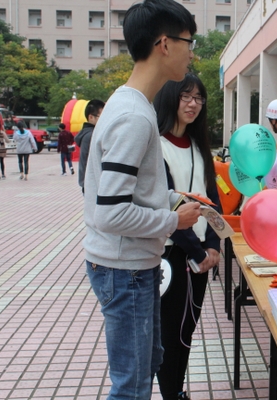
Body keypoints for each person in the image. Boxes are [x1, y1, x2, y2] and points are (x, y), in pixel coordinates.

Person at [82, 1, 201, 399]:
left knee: (145, 368)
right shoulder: (133, 116)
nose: (191, 53)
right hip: (125, 268)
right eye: (189, 43)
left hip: (131, 265)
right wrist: (174, 220)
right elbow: (112, 213)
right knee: (132, 386)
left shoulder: (131, 104)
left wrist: (175, 198)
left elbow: (129, 192)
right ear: (164, 44)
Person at [154, 75, 221, 400]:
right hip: (171, 254)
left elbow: (213, 201)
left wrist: (214, 245)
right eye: (186, 96)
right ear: (171, 98)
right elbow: (166, 205)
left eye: (198, 98)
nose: (193, 104)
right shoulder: (156, 146)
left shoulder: (199, 147)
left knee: (187, 328)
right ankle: (171, 394)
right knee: (170, 333)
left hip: (200, 255)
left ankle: (177, 391)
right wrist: (198, 252)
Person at [75, 99, 105, 192]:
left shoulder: (90, 133)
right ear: (91, 117)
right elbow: (88, 162)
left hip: (91, 184)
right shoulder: (91, 136)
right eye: (102, 117)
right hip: (93, 185)